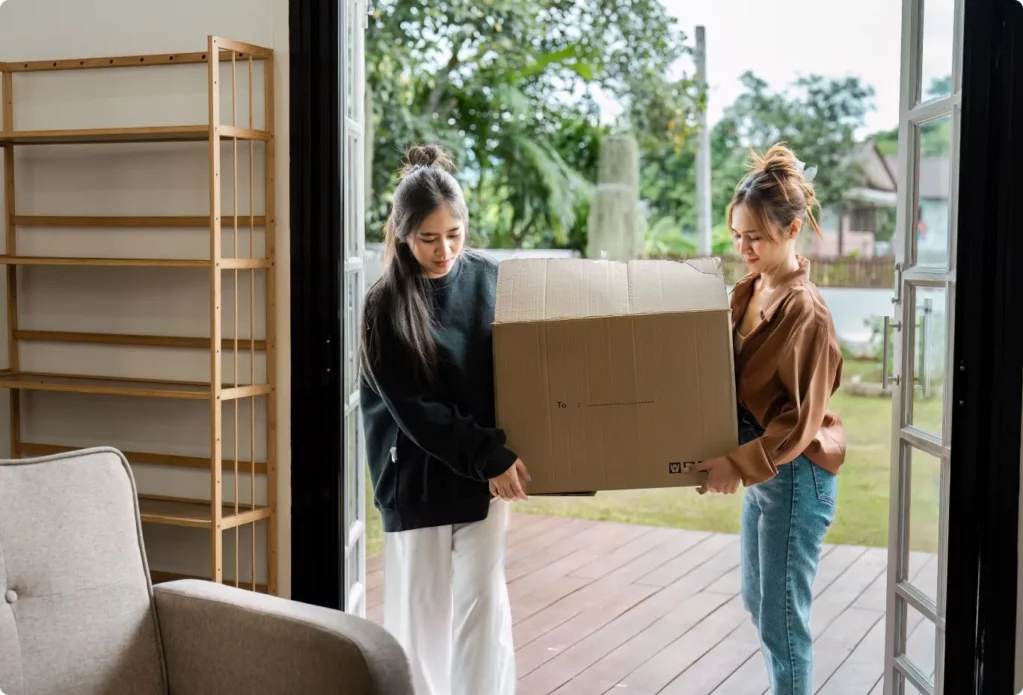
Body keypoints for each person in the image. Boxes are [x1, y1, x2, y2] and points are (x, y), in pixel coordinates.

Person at [359, 144, 528, 695]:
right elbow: (416, 411)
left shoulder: (491, 281)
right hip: (418, 478)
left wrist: (500, 457)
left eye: (454, 233)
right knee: (421, 619)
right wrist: (489, 456)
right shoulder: (383, 305)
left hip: (486, 475)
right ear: (403, 234)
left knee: (484, 604)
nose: (444, 249)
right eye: (429, 238)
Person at [695, 143, 846, 695]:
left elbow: (802, 421)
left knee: (783, 625)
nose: (743, 247)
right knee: (759, 602)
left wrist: (738, 462)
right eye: (736, 235)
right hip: (767, 474)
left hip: (796, 475)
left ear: (791, 230)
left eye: (754, 236)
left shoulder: (805, 310)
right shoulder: (751, 290)